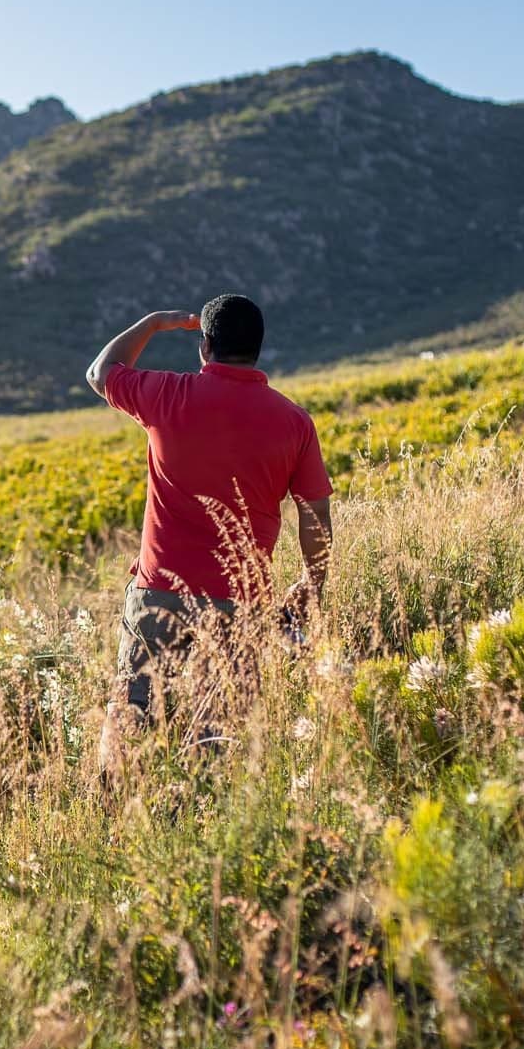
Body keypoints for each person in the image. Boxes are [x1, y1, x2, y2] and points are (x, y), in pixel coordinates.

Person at [84, 295, 334, 764]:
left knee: (131, 714)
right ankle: (199, 819)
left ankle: (112, 813)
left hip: (158, 591)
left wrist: (154, 323)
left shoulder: (167, 394)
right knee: (216, 733)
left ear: (204, 347)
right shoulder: (294, 421)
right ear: (258, 349)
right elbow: (314, 517)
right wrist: (312, 584)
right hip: (240, 602)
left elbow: (99, 373)